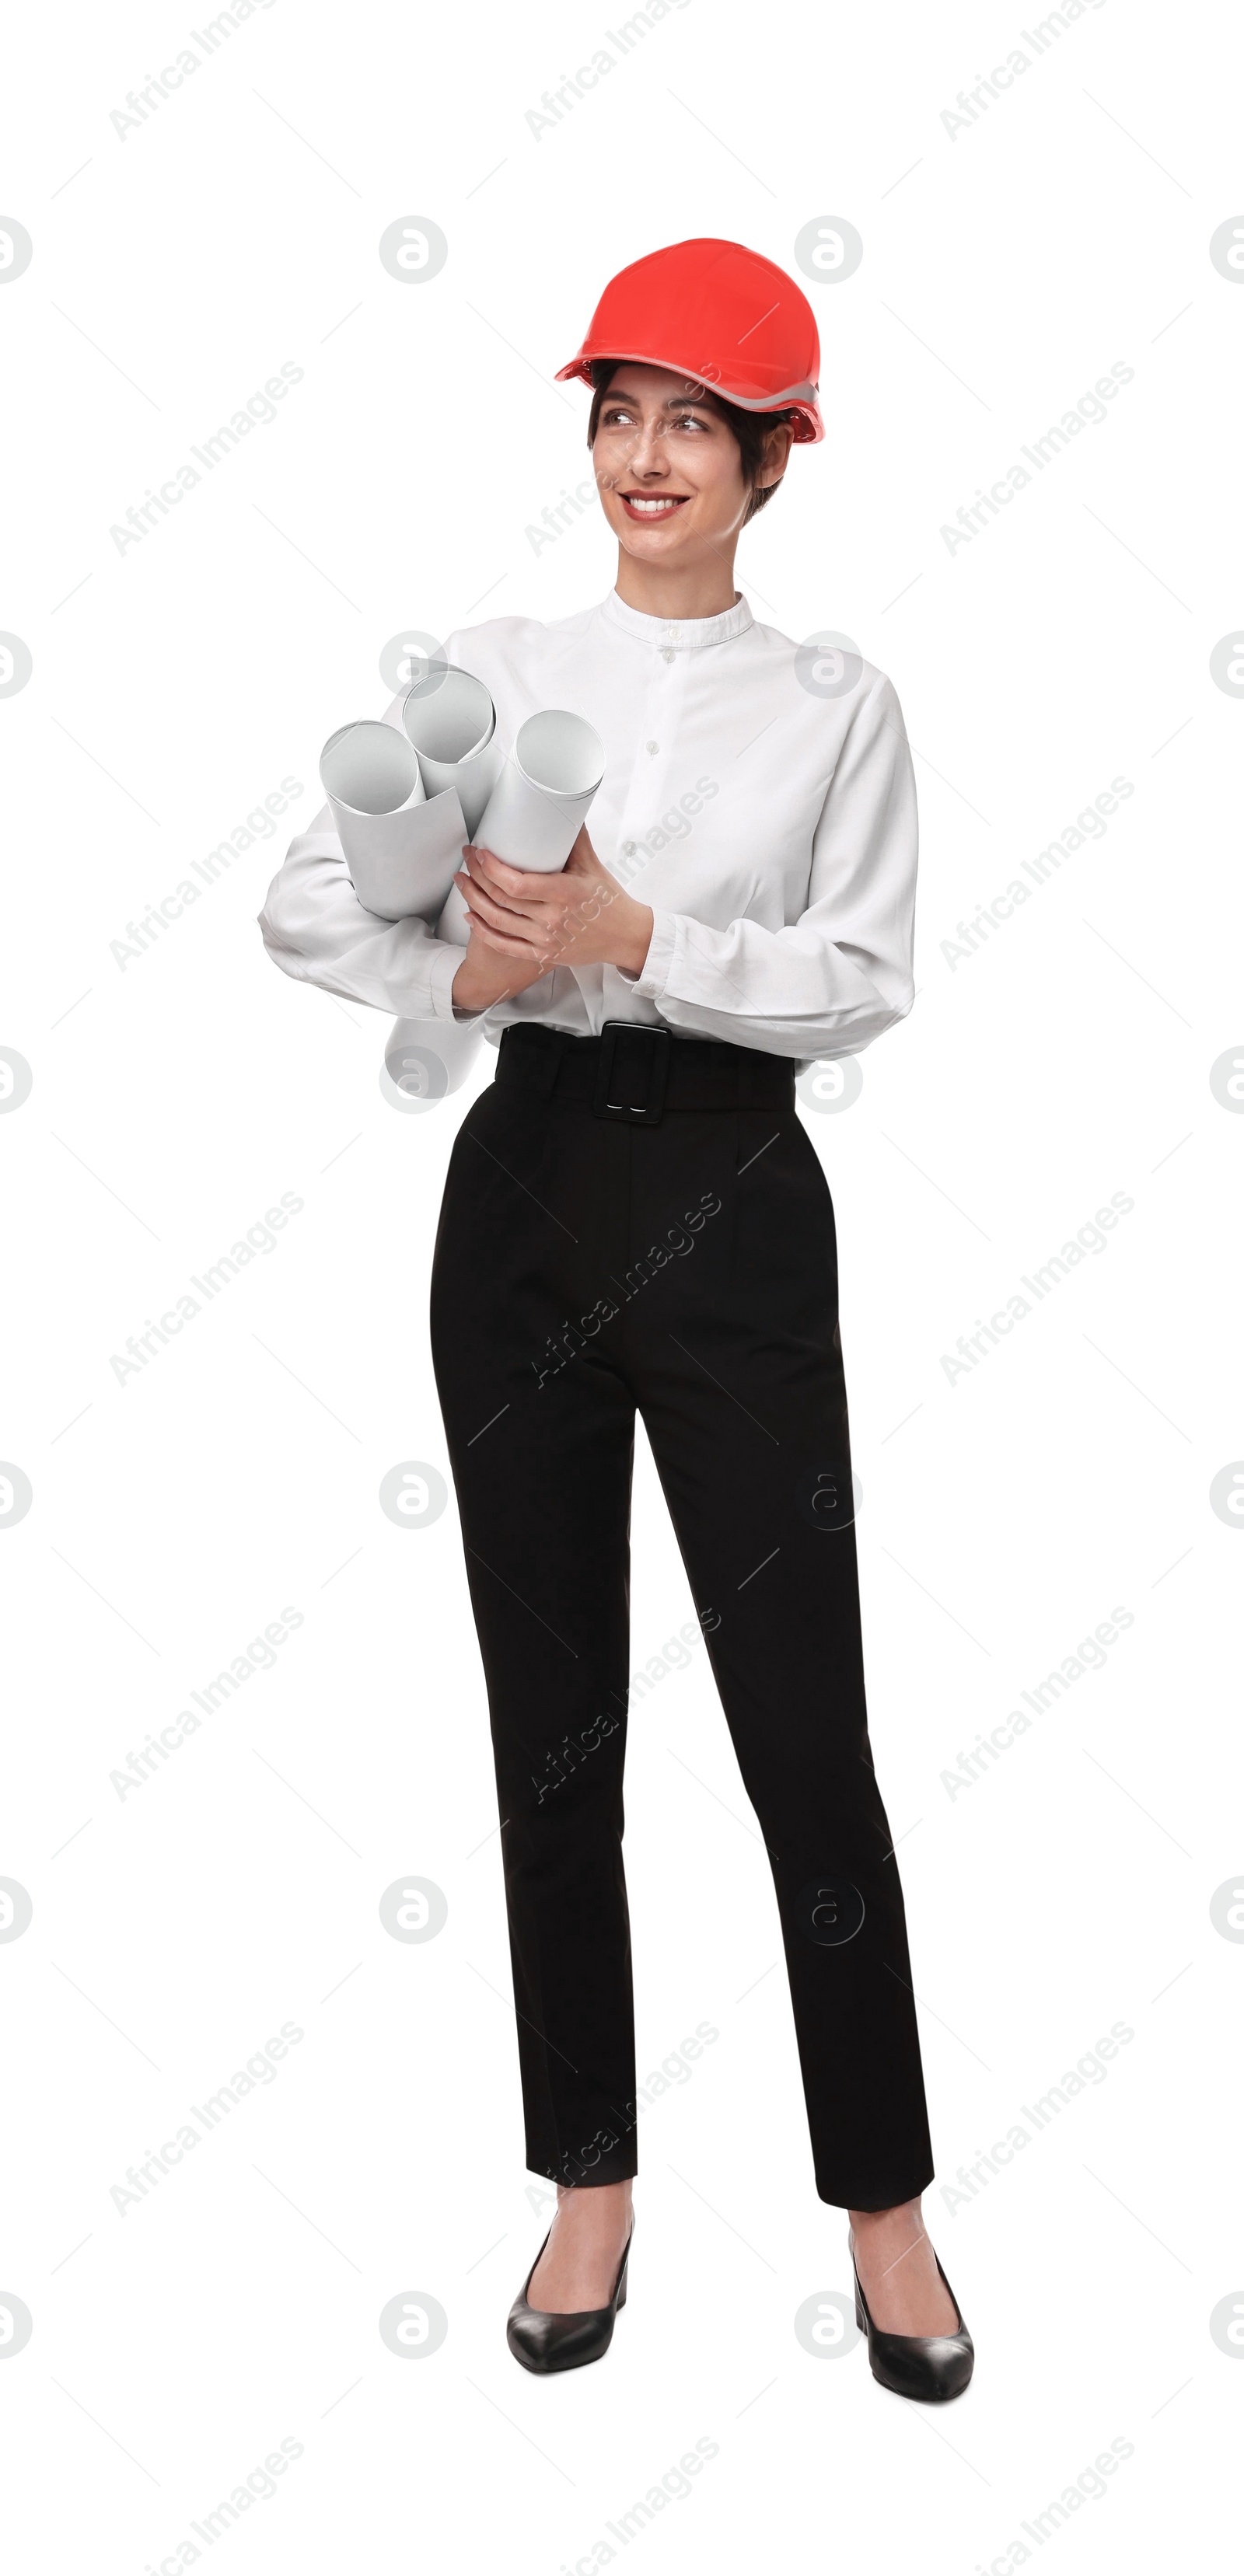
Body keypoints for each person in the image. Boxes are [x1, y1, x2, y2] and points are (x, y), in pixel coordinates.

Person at [259, 236, 973, 2402]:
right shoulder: (489, 659)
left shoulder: (838, 704)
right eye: (616, 413)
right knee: (554, 1724)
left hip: (737, 1195)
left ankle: (888, 2205)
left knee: (801, 1724)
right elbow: (308, 899)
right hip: (530, 1192)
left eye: (689, 421)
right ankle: (590, 2179)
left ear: (774, 459)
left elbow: (861, 976)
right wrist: (475, 975)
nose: (642, 456)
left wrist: (637, 928)